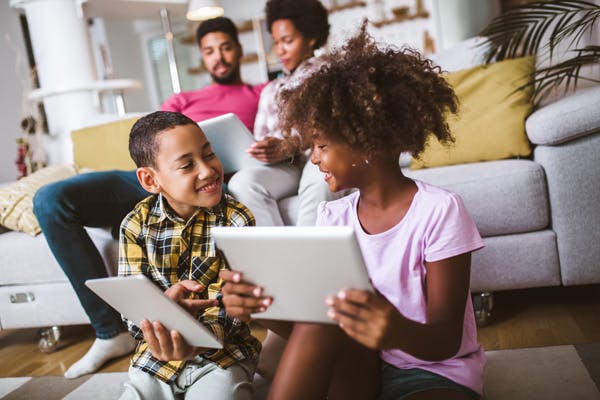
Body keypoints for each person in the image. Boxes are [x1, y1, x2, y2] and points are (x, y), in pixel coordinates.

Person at [219, 25, 486, 399]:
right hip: (359, 366)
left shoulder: (439, 211)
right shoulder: (334, 217)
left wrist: (393, 329)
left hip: (432, 371)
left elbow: (444, 339)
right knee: (322, 321)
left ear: (367, 144)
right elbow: (312, 329)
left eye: (322, 145)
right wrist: (258, 309)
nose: (312, 157)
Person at [32, 16, 264, 379]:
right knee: (49, 199)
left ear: (239, 49)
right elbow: (154, 135)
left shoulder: (258, 94)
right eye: (209, 50)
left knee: (147, 217)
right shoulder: (184, 98)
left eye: (226, 47)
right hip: (159, 174)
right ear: (201, 56)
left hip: (201, 179)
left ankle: (130, 325)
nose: (218, 57)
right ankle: (112, 332)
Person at [117, 111, 260, 400]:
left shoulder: (237, 219)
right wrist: (161, 322)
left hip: (223, 356)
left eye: (209, 155)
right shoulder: (135, 225)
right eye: (187, 165)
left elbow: (237, 306)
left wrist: (196, 335)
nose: (207, 171)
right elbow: (132, 308)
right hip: (155, 358)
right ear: (150, 180)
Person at [227, 0, 335, 227]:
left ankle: (306, 255)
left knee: (320, 182)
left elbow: (332, 131)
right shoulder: (270, 90)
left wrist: (290, 145)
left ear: (311, 37)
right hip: (284, 168)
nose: (280, 50)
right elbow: (261, 136)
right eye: (276, 42)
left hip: (317, 159)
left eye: (288, 41)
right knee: (242, 183)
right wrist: (262, 149)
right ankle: (276, 255)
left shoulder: (329, 75)